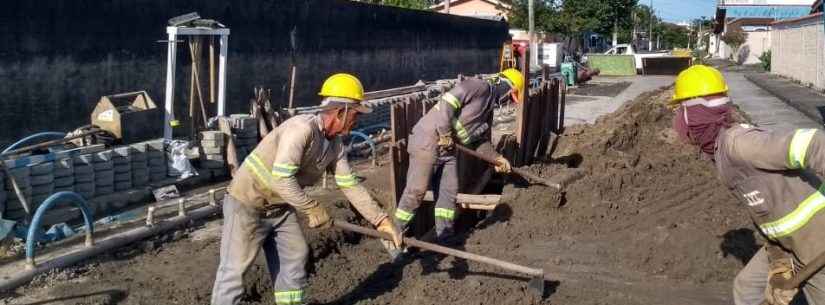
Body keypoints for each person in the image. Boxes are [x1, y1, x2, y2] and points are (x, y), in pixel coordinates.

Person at [211, 73, 403, 305]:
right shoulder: (301, 130)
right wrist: (312, 208)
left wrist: (381, 220)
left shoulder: (334, 144)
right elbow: (282, 179)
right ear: (340, 112)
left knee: (295, 255)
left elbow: (349, 184)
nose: (357, 121)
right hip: (248, 203)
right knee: (235, 270)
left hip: (280, 207)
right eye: (355, 114)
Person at [670, 64, 825, 305]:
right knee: (748, 287)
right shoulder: (721, 154)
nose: (677, 120)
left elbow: (813, 144)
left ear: (693, 114)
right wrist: (778, 259)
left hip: (818, 242)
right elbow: (764, 213)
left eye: (679, 110)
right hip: (786, 244)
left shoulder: (739, 144)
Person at [392, 69, 524, 245]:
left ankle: (444, 237)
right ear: (508, 87)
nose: (508, 100)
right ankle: (393, 236)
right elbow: (447, 103)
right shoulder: (479, 86)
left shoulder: (487, 108)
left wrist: (497, 158)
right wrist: (445, 134)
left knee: (449, 192)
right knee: (416, 191)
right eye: (511, 95)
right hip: (429, 140)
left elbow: (477, 142)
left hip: (448, 150)